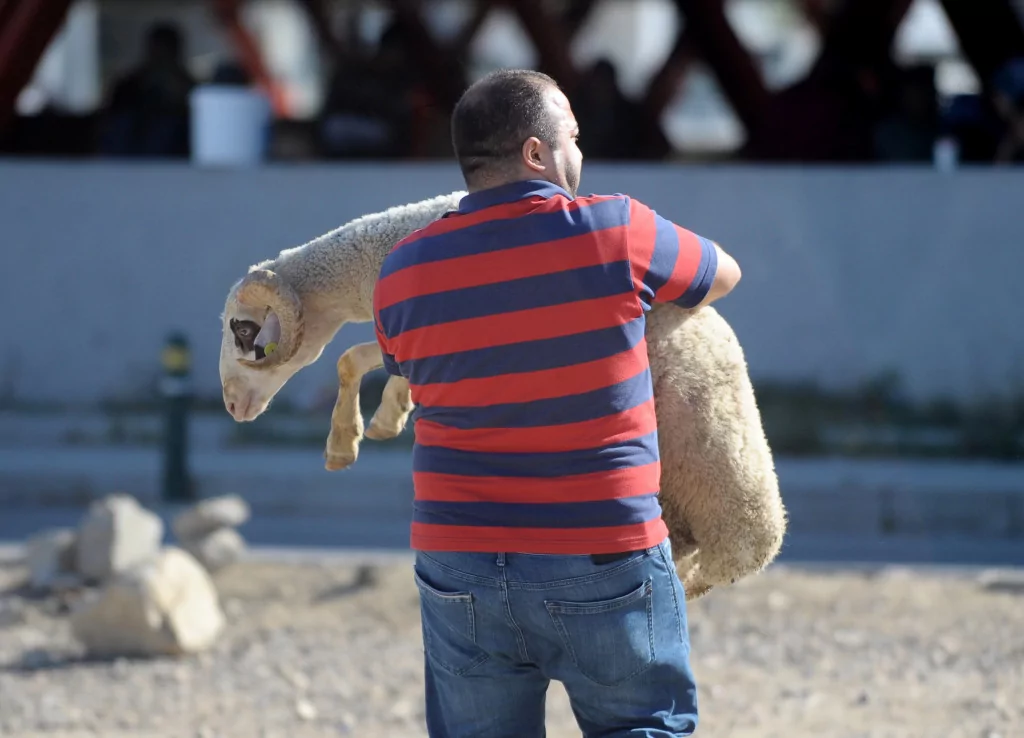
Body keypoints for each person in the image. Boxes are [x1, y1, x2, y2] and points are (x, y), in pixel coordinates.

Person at [372, 68, 741, 738]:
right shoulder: (615, 229)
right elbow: (722, 274)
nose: (580, 153)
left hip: (460, 564)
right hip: (601, 554)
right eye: (571, 136)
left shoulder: (401, 272)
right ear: (537, 153)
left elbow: (407, 365)